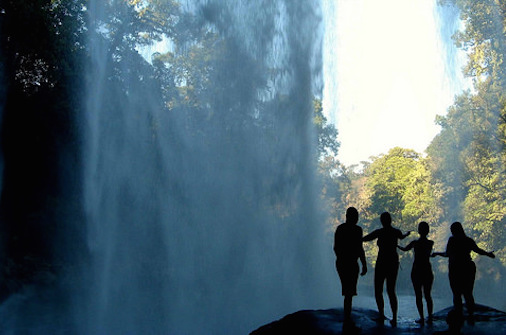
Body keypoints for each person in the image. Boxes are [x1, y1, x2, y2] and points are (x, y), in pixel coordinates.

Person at [432, 222, 495, 319]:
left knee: (456, 294)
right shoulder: (468, 240)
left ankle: (458, 315)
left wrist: (437, 253)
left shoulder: (452, 240)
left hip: (455, 269)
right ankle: (470, 315)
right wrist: (488, 254)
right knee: (468, 293)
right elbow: (477, 250)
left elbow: (447, 254)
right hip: (468, 268)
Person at [363, 212, 410, 327]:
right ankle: (394, 317)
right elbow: (402, 236)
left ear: (382, 221)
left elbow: (366, 238)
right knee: (391, 290)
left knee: (378, 290)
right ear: (390, 220)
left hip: (381, 262)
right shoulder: (395, 232)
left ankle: (381, 314)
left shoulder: (380, 232)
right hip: (393, 262)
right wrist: (407, 234)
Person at [333, 207, 368, 324]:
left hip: (343, 263)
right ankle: (347, 318)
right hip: (351, 263)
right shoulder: (357, 230)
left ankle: (347, 317)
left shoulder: (341, 228)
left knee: (348, 291)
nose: (357, 219)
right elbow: (359, 248)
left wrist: (342, 257)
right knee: (349, 291)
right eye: (356, 216)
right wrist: (363, 263)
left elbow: (336, 247)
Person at [398, 221, 434, 325]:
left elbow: (405, 249)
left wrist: (395, 245)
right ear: (428, 231)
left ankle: (422, 317)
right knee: (428, 295)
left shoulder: (415, 243)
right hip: (427, 269)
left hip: (417, 270)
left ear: (419, 231)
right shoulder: (430, 243)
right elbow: (428, 253)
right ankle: (430, 317)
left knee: (418, 295)